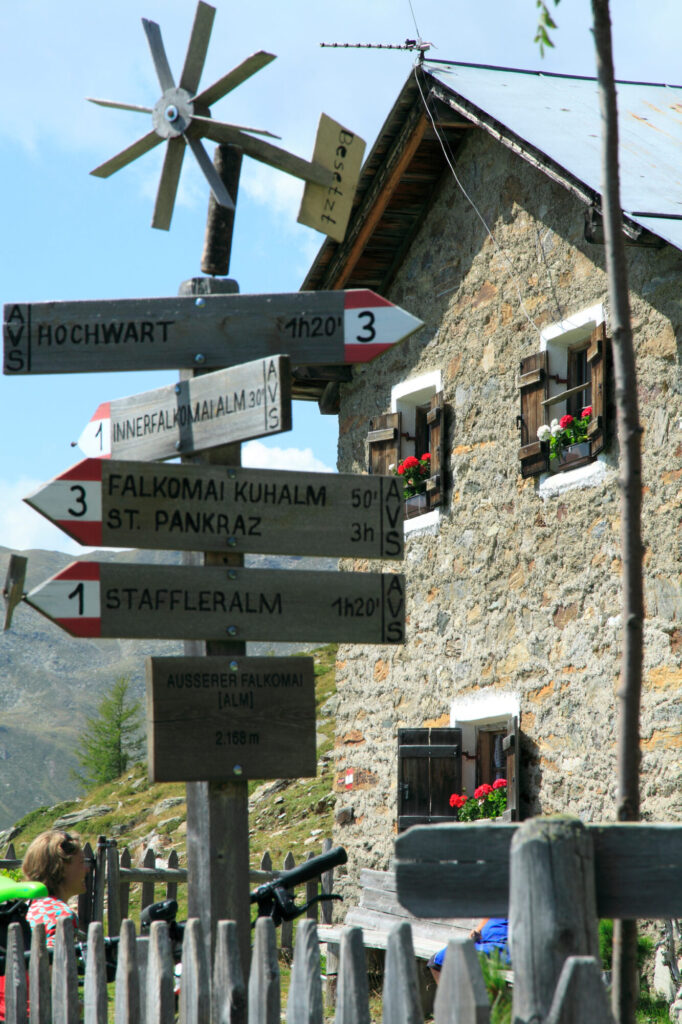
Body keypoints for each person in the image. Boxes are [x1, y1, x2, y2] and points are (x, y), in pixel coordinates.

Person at [21, 830, 89, 948]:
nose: (87, 869)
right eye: (81, 862)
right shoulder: (62, 915)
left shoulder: (27, 907)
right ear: (62, 867)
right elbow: (53, 955)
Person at [428, 917, 510, 983]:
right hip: (482, 941)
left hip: (500, 947)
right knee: (437, 960)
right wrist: (478, 930)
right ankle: (450, 998)